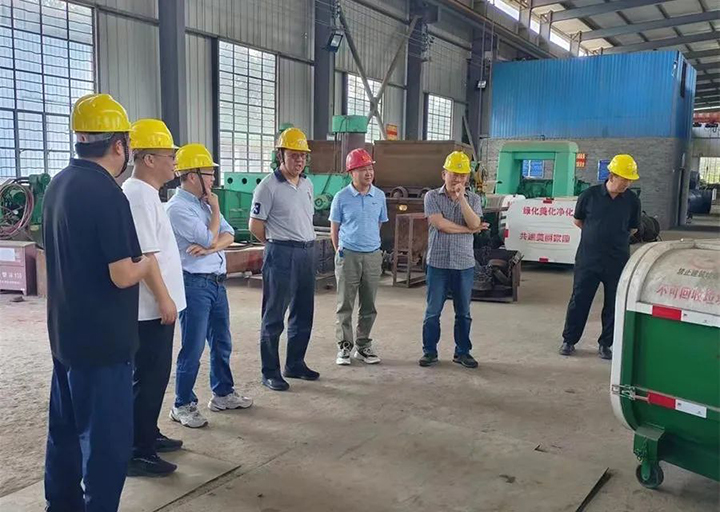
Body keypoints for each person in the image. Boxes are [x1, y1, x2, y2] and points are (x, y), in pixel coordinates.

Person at [43, 93, 150, 512]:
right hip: (103, 344)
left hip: (65, 335)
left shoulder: (59, 184)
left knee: (65, 432)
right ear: (119, 145)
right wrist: (148, 263)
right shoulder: (107, 193)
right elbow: (122, 273)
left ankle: (60, 505)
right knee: (106, 445)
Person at [166, 143, 252, 428]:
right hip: (194, 285)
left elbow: (229, 234)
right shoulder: (178, 208)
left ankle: (223, 393)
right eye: (209, 173)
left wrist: (211, 246)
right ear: (192, 176)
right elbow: (209, 237)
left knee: (221, 342)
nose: (214, 178)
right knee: (192, 348)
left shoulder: (203, 203)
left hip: (216, 283)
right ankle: (182, 404)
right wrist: (214, 221)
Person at [122, 119, 185, 476]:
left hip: (157, 306)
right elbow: (146, 256)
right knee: (148, 377)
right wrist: (163, 298)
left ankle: (148, 432)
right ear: (148, 159)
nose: (174, 162)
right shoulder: (137, 195)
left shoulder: (147, 193)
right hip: (150, 309)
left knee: (155, 377)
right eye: (169, 156)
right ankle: (137, 450)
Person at [249, 127, 320, 391]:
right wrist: (275, 245)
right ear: (281, 155)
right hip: (281, 253)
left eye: (303, 156)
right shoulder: (268, 187)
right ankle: (270, 371)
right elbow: (255, 225)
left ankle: (295, 363)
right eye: (293, 155)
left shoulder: (307, 184)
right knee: (274, 314)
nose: (299, 160)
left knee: (303, 312)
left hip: (306, 253)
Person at [559, 154, 640, 360]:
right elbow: (578, 221)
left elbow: (633, 228)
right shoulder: (589, 196)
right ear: (612, 176)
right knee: (579, 300)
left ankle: (606, 344)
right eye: (624, 179)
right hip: (588, 259)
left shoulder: (632, 201)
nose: (627, 184)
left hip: (617, 260)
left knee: (613, 303)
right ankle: (569, 340)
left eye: (630, 180)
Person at [419, 151, 487, 369]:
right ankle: (429, 352)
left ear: (467, 178)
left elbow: (475, 221)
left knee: (464, 313)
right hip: (437, 263)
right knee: (432, 312)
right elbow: (440, 224)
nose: (457, 179)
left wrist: (462, 200)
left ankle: (463, 352)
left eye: (462, 175)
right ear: (444, 174)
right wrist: (469, 230)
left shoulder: (474, 199)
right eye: (453, 174)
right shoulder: (431, 197)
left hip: (463, 264)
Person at [329, 148, 388, 365]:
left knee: (369, 304)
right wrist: (340, 251)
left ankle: (363, 346)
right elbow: (334, 228)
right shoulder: (341, 197)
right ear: (351, 172)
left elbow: (378, 223)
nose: (368, 173)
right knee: (345, 303)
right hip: (349, 255)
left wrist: (370, 244)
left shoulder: (379, 196)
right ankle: (344, 346)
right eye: (362, 169)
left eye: (370, 168)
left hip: (372, 255)